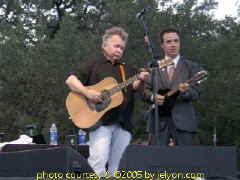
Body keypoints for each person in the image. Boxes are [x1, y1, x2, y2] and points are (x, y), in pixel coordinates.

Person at [65, 26, 149, 176]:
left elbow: (136, 86)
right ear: (104, 45)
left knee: (116, 169)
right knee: (98, 165)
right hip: (101, 123)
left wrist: (142, 79)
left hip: (124, 124)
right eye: (116, 46)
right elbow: (70, 80)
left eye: (122, 48)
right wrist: (88, 93)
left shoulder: (127, 69)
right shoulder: (94, 64)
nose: (119, 50)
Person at [142, 28, 201, 146]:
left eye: (176, 41)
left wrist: (185, 91)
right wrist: (153, 97)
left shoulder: (191, 66)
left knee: (185, 161)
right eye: (169, 42)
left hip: (184, 123)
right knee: (156, 162)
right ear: (162, 45)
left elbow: (196, 92)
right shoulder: (153, 66)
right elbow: (145, 91)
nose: (173, 44)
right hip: (158, 123)